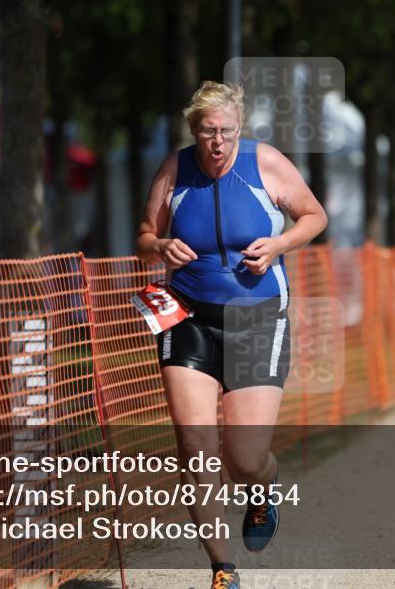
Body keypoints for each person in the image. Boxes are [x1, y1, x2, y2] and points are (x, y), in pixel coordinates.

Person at [136, 81, 327, 589]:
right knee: (195, 449)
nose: (217, 142)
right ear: (193, 131)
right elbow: (143, 236)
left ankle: (262, 487)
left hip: (256, 319)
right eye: (207, 132)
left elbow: (315, 215)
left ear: (239, 129)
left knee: (243, 459)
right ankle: (223, 570)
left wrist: (280, 244)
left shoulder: (264, 162)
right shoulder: (176, 169)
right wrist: (160, 246)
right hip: (188, 318)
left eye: (226, 131)